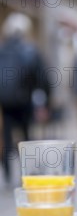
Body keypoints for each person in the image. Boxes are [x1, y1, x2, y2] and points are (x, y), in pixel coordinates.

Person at [0, 13, 51, 183]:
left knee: (6, 137)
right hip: (25, 101)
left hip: (5, 103)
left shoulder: (2, 49)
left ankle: (7, 176)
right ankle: (27, 174)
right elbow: (43, 80)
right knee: (26, 136)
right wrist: (45, 103)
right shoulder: (31, 50)